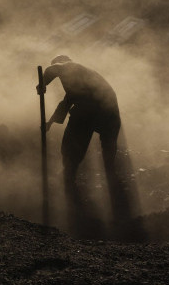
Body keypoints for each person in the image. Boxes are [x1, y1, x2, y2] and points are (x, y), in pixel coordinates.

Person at [42, 55, 141, 240]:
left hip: (92, 108)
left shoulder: (69, 67)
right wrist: (49, 123)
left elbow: (52, 70)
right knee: (108, 153)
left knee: (70, 150)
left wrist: (43, 83)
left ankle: (70, 181)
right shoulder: (79, 83)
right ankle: (116, 195)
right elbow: (66, 102)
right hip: (110, 111)